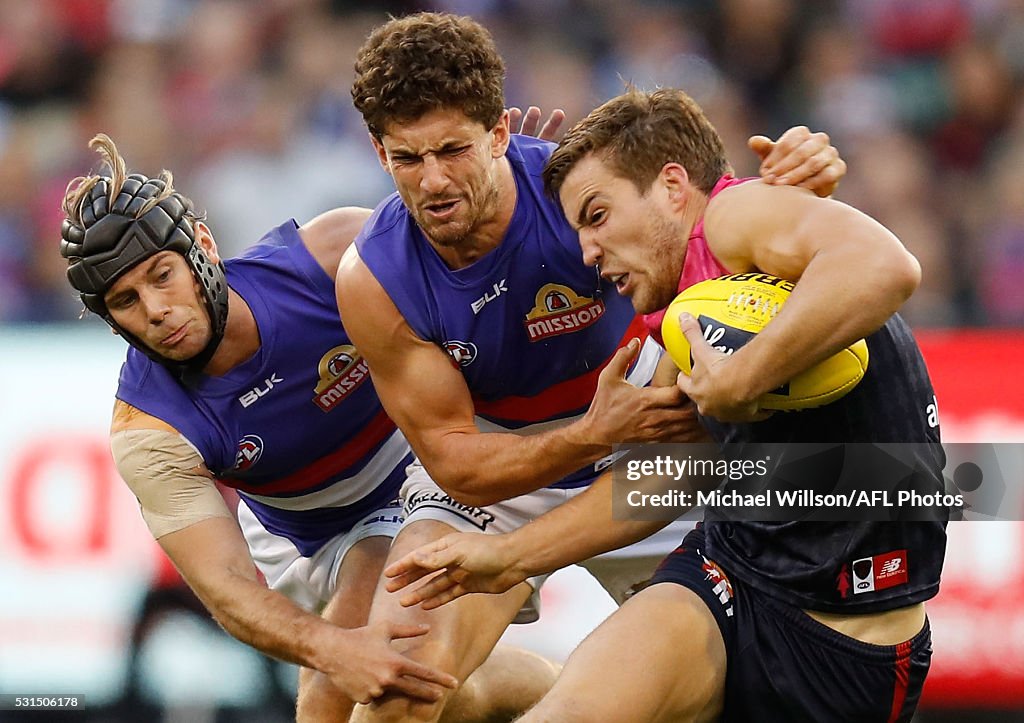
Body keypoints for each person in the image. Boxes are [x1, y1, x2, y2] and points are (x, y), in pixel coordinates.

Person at [337, 12, 849, 722]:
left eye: (453, 149)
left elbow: (708, 222)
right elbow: (456, 464)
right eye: (406, 159)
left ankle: (580, 692)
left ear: (499, 132)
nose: (432, 182)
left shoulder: (578, 186)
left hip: (652, 441)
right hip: (500, 464)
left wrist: (799, 179)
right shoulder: (372, 277)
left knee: (731, 703)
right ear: (376, 149)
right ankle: (569, 690)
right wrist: (589, 431)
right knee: (399, 686)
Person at [384, 87, 947, 723]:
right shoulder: (682, 315)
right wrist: (506, 557)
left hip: (847, 638)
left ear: (673, 187)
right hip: (728, 575)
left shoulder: (735, 218)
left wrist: (744, 378)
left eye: (596, 216)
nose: (589, 255)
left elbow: (885, 263)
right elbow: (673, 474)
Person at [57, 126, 566, 723]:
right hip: (301, 535)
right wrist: (333, 649)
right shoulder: (147, 428)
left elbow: (470, 260)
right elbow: (228, 592)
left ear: (202, 245)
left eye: (161, 275)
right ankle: (570, 692)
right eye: (125, 302)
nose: (155, 310)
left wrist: (513, 183)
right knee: (421, 689)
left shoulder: (331, 256)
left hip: (425, 474)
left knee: (348, 693)